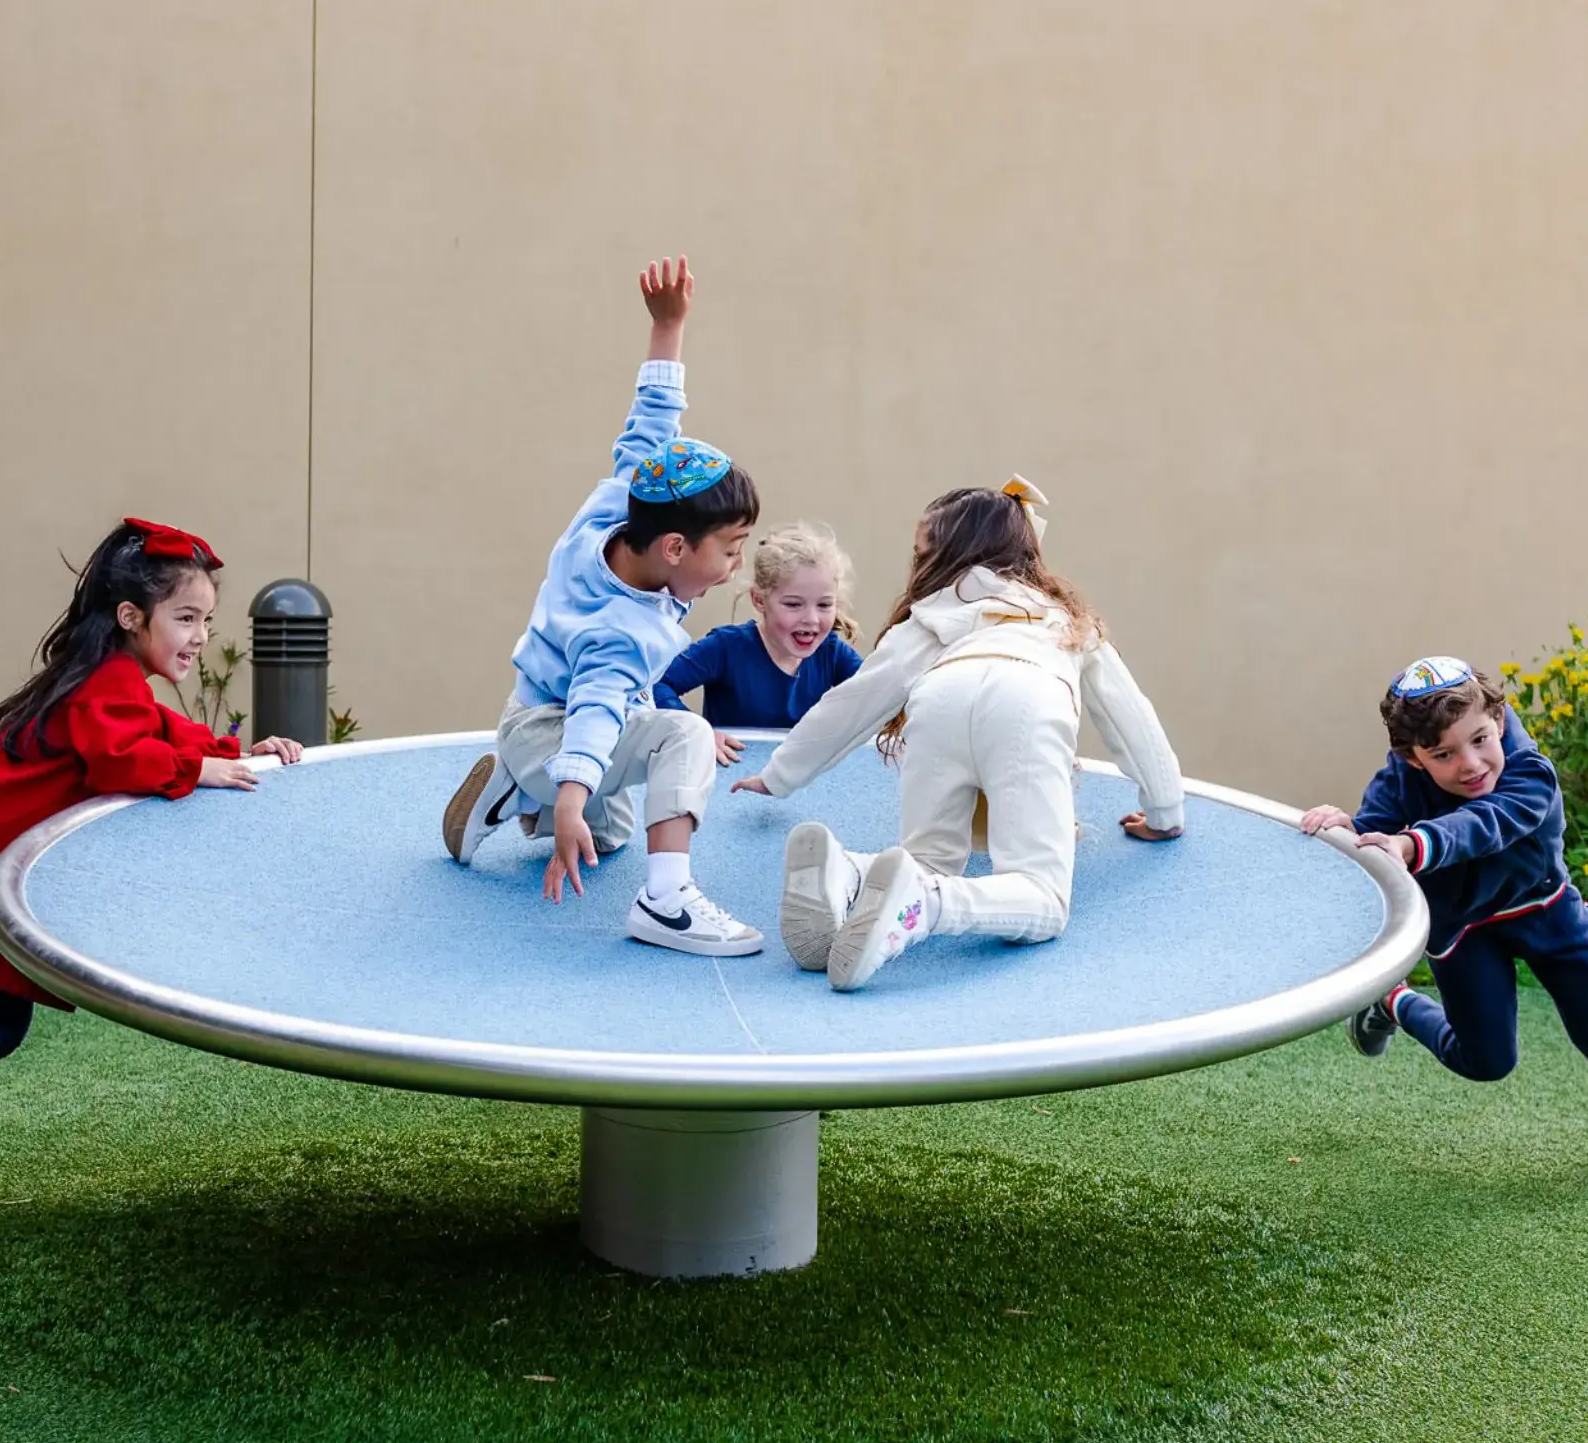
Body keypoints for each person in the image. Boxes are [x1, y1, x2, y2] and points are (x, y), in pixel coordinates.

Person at [0, 518, 303, 1191]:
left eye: (206, 618)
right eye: (184, 617)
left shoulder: (102, 676)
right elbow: (123, 758)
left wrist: (238, 750)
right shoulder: (109, 684)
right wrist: (203, 772)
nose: (200, 636)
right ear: (130, 616)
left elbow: (165, 730)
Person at [733, 479, 1187, 989]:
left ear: (952, 558)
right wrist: (1166, 811)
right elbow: (1133, 720)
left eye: (921, 552)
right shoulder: (1063, 618)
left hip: (940, 700)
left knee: (925, 860)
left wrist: (779, 774)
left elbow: (852, 703)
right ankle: (924, 905)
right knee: (1041, 896)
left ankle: (847, 873)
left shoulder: (931, 617)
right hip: (1028, 701)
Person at [441, 256, 765, 957]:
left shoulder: (618, 509)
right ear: (676, 548)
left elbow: (651, 429)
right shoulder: (627, 630)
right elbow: (595, 709)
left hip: (533, 715)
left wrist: (668, 327)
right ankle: (666, 903)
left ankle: (511, 787)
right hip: (556, 730)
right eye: (732, 549)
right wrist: (568, 796)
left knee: (612, 836)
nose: (736, 566)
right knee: (682, 736)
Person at [1299, 656, 1588, 1185]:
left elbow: (1485, 823)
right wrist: (1347, 830)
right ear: (1415, 759)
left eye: (1480, 740)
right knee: (1486, 1060)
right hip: (1463, 927)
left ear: (1498, 718)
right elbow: (1377, 843)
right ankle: (1394, 1002)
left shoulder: (1529, 770)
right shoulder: (1400, 779)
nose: (1469, 764)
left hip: (1544, 907)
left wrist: (1413, 842)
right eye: (1443, 754)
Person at [654, 521, 864, 760]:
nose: (811, 619)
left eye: (825, 605)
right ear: (759, 600)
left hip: (798, 784)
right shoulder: (726, 647)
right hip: (731, 781)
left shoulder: (832, 653)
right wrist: (698, 732)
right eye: (793, 605)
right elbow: (656, 685)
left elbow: (882, 692)